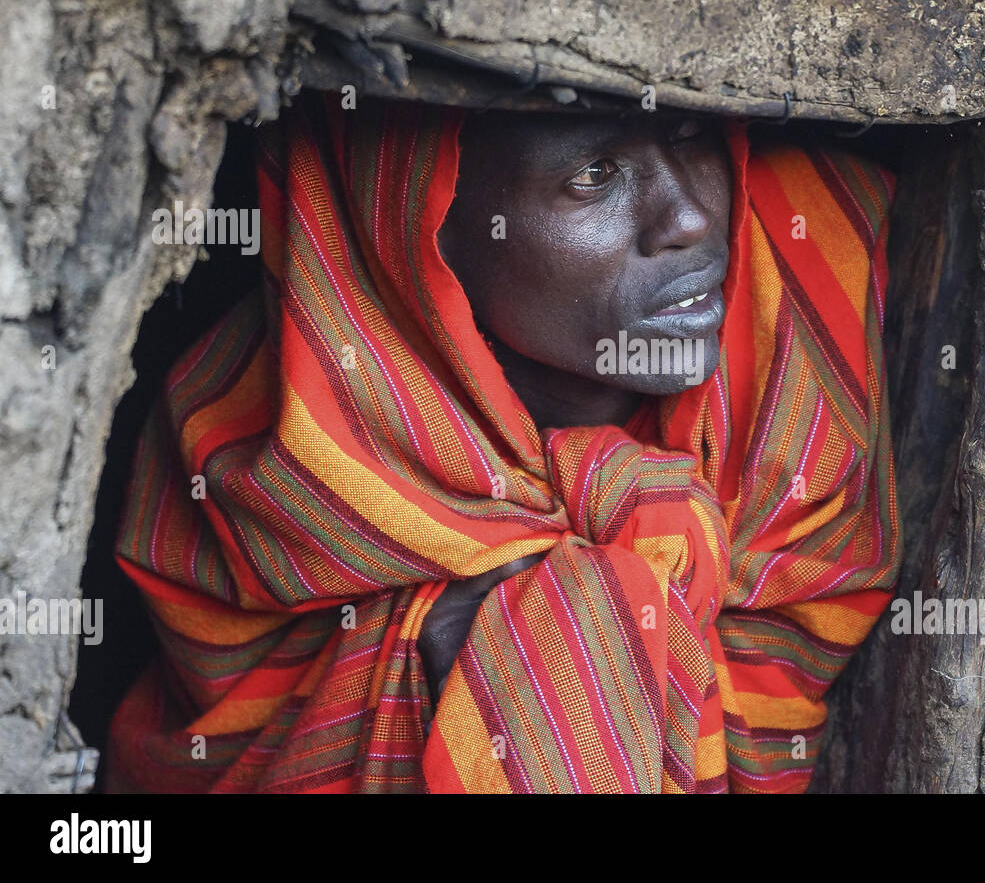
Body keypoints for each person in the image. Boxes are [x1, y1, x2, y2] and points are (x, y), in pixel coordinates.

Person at [104, 91, 900, 793]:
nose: (687, 216)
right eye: (593, 175)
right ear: (416, 227)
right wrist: (465, 656)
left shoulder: (790, 357)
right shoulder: (258, 445)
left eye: (691, 132)